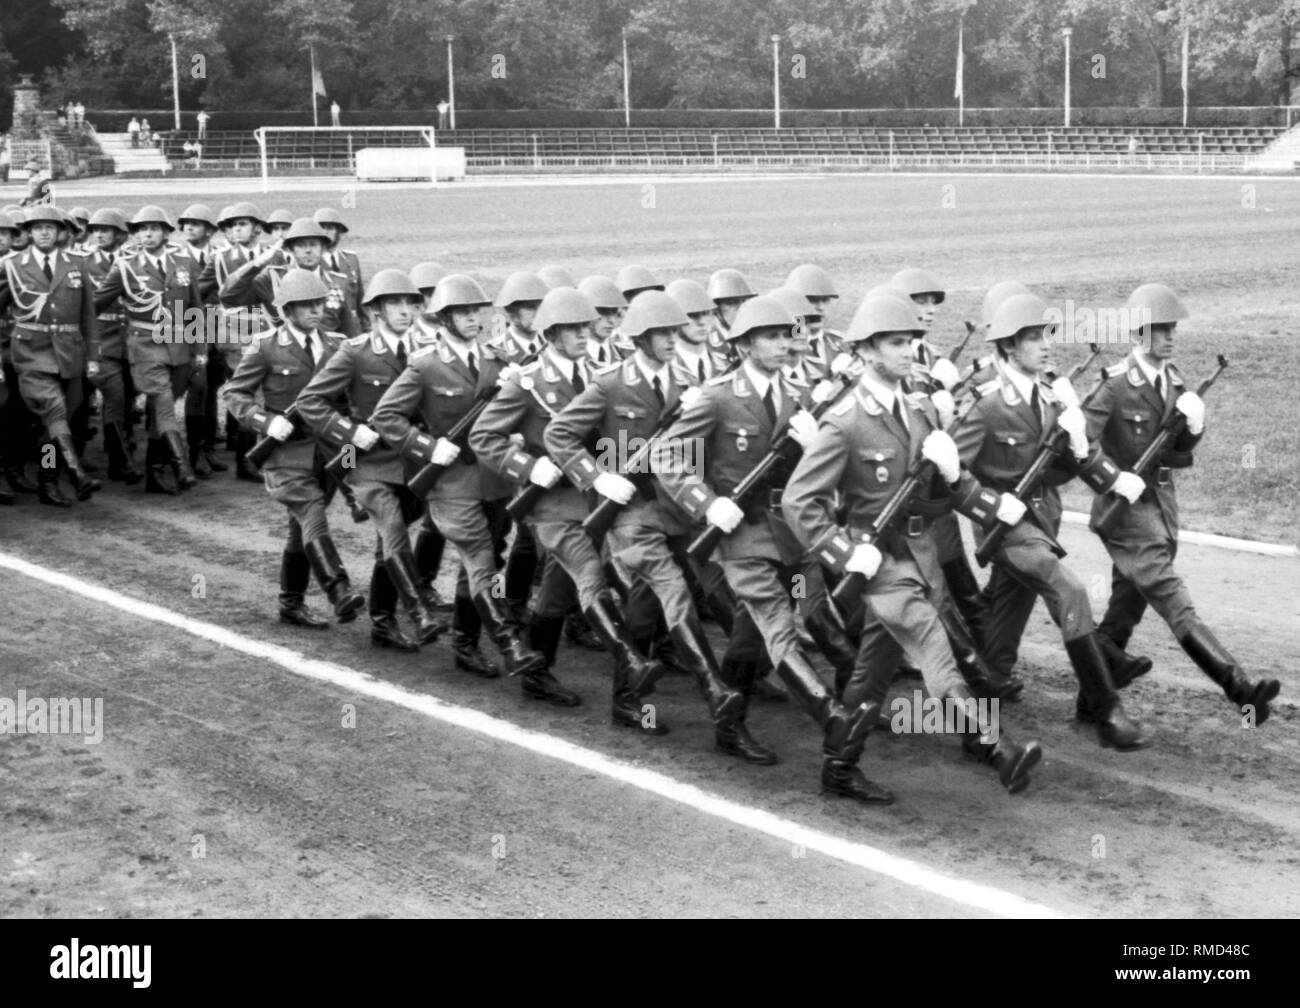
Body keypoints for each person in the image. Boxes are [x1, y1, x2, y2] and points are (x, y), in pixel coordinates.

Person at [781, 293, 1045, 798]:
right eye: (897, 343)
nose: (909, 351)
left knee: (872, 672)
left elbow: (940, 492)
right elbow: (800, 501)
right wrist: (839, 551)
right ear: (867, 351)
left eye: (912, 342)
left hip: (921, 560)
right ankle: (998, 749)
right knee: (933, 647)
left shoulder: (919, 410)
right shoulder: (845, 420)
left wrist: (974, 495)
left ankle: (838, 766)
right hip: (878, 564)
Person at [653, 294, 886, 802]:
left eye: (789, 335)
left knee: (754, 634)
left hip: (792, 538)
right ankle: (835, 720)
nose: (786, 344)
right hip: (741, 539)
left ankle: (728, 717)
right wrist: (705, 503)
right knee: (780, 628)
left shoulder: (800, 395)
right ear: (744, 344)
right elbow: (667, 456)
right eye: (773, 336)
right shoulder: (717, 397)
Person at [544, 290, 744, 743]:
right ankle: (715, 689)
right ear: (640, 337)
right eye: (663, 333)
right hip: (630, 511)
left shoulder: (689, 382)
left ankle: (627, 697)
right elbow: (560, 434)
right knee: (672, 590)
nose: (674, 339)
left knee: (648, 603)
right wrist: (595, 479)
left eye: (676, 331)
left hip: (677, 508)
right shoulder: (610, 384)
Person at [953, 292, 1149, 750]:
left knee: (1003, 630)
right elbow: (950, 474)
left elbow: (1071, 461)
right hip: (1006, 529)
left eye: (1045, 335)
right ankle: (1107, 710)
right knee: (1071, 590)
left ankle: (972, 727)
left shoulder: (1048, 395)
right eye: (1031, 338)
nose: (1045, 346)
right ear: (1006, 347)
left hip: (1043, 522)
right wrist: (988, 506)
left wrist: (1107, 473)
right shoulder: (986, 403)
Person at [1084, 283, 1282, 726]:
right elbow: (1078, 443)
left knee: (1123, 611)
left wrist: (1195, 426)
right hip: (1127, 514)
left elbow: (1176, 451)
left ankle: (1092, 693)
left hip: (1161, 510)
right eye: (1161, 329)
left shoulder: (1173, 381)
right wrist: (1114, 478)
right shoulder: (1116, 386)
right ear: (1139, 333)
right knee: (1175, 602)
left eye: (1172, 328)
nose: (1171, 336)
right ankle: (1242, 691)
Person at [470, 285, 669, 724]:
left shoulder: (600, 374)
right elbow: (483, 437)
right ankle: (631, 663)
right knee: (592, 576)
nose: (584, 334)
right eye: (572, 329)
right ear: (551, 334)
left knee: (557, 597)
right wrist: (524, 467)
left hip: (596, 501)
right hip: (553, 506)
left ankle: (537, 671)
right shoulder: (526, 382)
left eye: (585, 326)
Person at [369, 273, 560, 690]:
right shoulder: (425, 365)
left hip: (495, 479)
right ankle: (511, 645)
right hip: (451, 482)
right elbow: (385, 417)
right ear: (444, 318)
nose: (474, 318)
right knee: (481, 558)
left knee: (491, 554)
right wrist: (425, 447)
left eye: (478, 311)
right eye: (464, 312)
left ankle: (464, 641)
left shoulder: (498, 362)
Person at [294, 270, 450, 653]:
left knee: (391, 540)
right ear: (377, 310)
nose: (404, 310)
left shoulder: (432, 348)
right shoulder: (356, 351)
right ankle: (418, 612)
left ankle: (382, 621)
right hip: (368, 460)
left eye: (410, 303)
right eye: (394, 303)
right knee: (392, 526)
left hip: (415, 461)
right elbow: (310, 402)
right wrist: (348, 433)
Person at [221, 269, 368, 629]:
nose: (316, 310)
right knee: (312, 512)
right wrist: (264, 422)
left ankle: (291, 603)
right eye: (306, 305)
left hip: (329, 453)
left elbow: (348, 400)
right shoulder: (265, 345)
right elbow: (234, 394)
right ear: (287, 309)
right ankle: (339, 589)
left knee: (299, 527)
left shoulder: (337, 345)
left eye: (319, 303)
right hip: (285, 451)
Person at [93, 205, 206, 495]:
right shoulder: (126, 265)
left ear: (166, 232)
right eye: (142, 229)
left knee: (161, 409)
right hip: (144, 344)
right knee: (163, 400)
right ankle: (181, 466)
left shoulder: (183, 262)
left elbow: (194, 307)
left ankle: (155, 474)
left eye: (154, 228)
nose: (147, 234)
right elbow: (94, 303)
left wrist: (200, 348)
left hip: (179, 345)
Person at [0, 205, 101, 506]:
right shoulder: (12, 265)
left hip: (69, 355)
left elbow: (89, 316)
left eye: (50, 227)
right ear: (28, 232)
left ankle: (48, 480)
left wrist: (93, 356)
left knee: (54, 428)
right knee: (55, 411)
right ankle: (77, 474)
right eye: (38, 227)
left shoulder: (77, 264)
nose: (44, 232)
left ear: (60, 233)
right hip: (30, 353)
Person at [81, 208, 141, 485]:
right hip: (97, 343)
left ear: (120, 234)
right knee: (76, 409)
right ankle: (55, 463)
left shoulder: (135, 261)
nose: (99, 234)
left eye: (106, 230)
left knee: (126, 400)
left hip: (130, 341)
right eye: (95, 230)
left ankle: (121, 453)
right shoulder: (82, 262)